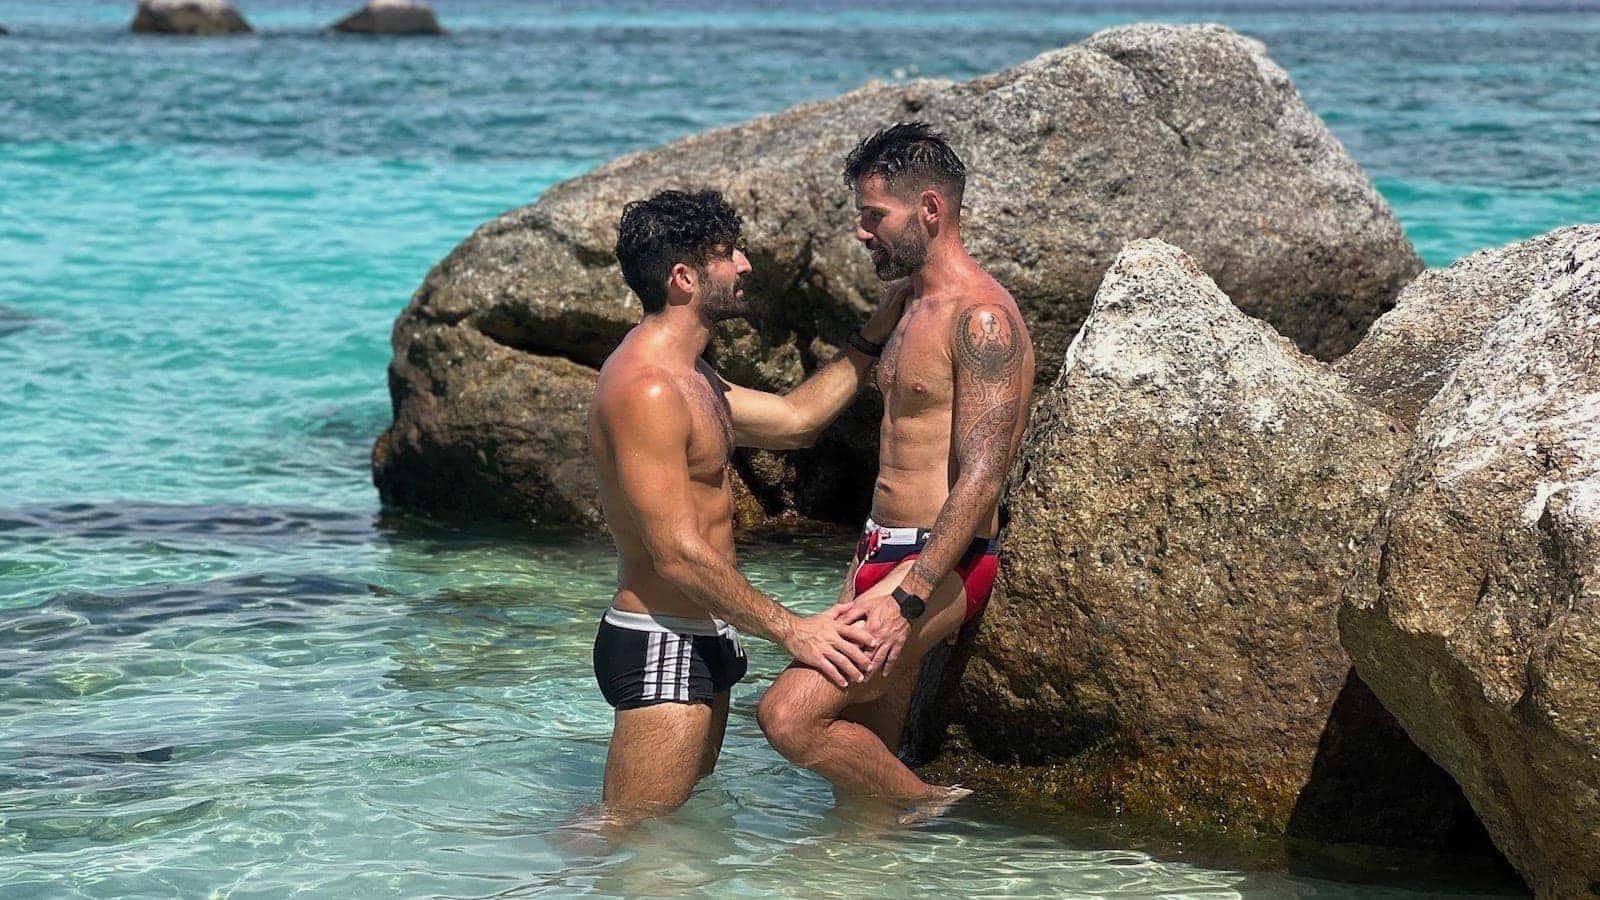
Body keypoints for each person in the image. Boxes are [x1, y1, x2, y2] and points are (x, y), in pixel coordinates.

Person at [587, 188, 903, 830]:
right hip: (663, 640)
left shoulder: (691, 374)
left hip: (703, 633)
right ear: (683, 278)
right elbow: (673, 554)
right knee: (629, 836)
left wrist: (879, 326)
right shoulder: (647, 387)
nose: (746, 265)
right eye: (728, 255)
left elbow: (796, 418)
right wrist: (793, 629)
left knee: (671, 839)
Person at [756, 122, 1035, 815]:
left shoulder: (984, 321)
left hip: (939, 565)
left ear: (931, 211)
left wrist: (908, 597)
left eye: (874, 215)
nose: (862, 232)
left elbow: (982, 476)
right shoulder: (910, 304)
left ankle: (935, 807)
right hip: (879, 551)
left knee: (787, 717)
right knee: (859, 786)